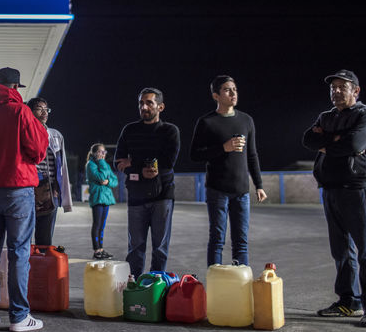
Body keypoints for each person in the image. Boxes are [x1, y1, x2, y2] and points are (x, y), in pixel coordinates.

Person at [302, 69, 366, 328]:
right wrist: (334, 139)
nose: (336, 91)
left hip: (356, 188)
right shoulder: (327, 116)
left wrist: (326, 141)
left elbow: (355, 144)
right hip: (330, 189)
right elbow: (307, 139)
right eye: (333, 87)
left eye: (342, 87)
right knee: (341, 251)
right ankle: (348, 302)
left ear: (355, 91)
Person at [0, 67, 48, 332]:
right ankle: (18, 316)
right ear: (14, 87)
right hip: (18, 190)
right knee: (19, 254)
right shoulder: (21, 112)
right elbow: (38, 150)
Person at [190, 76, 266, 268]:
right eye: (227, 90)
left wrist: (259, 185)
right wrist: (223, 148)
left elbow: (252, 155)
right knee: (217, 240)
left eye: (234, 89)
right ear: (216, 95)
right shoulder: (206, 122)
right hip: (217, 190)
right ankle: (216, 285)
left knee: (241, 242)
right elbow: (194, 155)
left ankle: (241, 286)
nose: (233, 93)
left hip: (241, 192)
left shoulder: (246, 120)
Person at [115, 88, 181, 277]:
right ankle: (135, 286)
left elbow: (168, 161)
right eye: (141, 103)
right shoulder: (130, 130)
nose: (144, 106)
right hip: (136, 196)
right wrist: (141, 167)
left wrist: (134, 161)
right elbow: (118, 162)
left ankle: (155, 287)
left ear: (160, 106)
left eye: (149, 103)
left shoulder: (170, 131)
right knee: (135, 247)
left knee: (160, 247)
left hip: (163, 196)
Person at [26, 97, 73, 246]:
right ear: (30, 111)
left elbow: (61, 167)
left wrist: (58, 188)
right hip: (28, 189)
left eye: (46, 109)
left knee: (45, 237)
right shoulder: (24, 133)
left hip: (49, 191)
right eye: (40, 109)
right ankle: (24, 267)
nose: (44, 112)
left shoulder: (55, 135)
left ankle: (42, 266)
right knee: (24, 235)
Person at [86, 143, 118, 260]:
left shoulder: (104, 165)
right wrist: (101, 163)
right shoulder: (91, 165)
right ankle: (96, 250)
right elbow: (101, 176)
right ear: (94, 153)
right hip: (98, 198)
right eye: (100, 152)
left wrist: (108, 182)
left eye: (104, 152)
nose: (102, 154)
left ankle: (101, 249)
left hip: (106, 199)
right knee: (97, 224)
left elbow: (114, 181)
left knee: (102, 226)